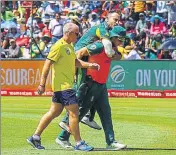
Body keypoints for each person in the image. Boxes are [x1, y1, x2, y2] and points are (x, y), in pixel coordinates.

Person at [26, 23, 99, 151]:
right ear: (69, 33)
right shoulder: (58, 46)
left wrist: (90, 65)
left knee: (54, 112)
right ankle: (79, 143)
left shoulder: (70, 46)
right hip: (64, 87)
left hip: (63, 87)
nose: (78, 35)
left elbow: (75, 62)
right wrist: (42, 84)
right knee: (74, 113)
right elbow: (47, 64)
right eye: (76, 33)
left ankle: (35, 137)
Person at [56, 26, 127, 150]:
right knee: (82, 111)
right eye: (120, 39)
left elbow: (118, 56)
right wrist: (78, 73)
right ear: (113, 37)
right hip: (91, 83)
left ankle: (111, 142)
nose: (121, 42)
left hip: (101, 84)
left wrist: (115, 54)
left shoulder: (112, 48)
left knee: (106, 113)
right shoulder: (99, 46)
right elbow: (79, 53)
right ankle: (62, 136)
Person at [70, 12, 121, 129]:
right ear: (107, 19)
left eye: (119, 20)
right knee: (81, 87)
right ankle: (72, 118)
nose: (117, 22)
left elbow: (116, 54)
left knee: (92, 88)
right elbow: (109, 51)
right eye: (115, 19)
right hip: (79, 57)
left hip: (85, 57)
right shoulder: (102, 28)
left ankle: (85, 116)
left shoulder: (109, 32)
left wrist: (115, 53)